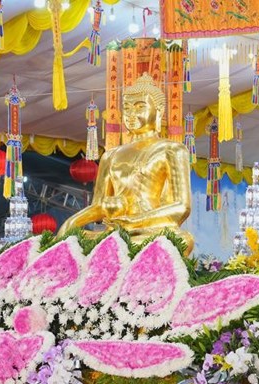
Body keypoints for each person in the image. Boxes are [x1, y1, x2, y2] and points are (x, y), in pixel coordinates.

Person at [58, 73, 194, 253]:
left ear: (159, 110)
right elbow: (99, 206)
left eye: (140, 107)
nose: (131, 114)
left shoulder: (172, 150)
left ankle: (119, 246)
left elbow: (182, 207)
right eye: (127, 108)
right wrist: (71, 223)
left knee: (182, 240)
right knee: (73, 237)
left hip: (149, 231)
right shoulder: (111, 155)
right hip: (114, 232)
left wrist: (135, 221)